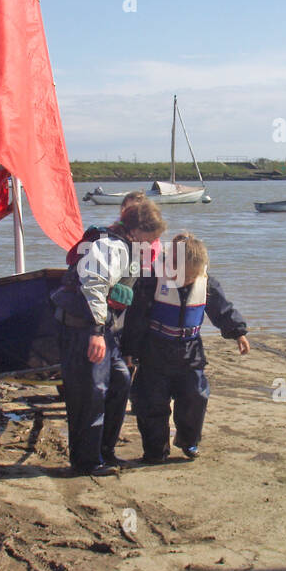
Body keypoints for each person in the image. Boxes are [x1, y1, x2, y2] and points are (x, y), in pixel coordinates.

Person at [51, 198, 166, 477]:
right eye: (151, 237)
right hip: (85, 328)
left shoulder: (127, 245)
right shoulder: (111, 246)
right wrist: (96, 332)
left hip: (105, 330)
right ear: (137, 231)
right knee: (90, 394)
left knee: (119, 382)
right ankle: (86, 461)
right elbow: (94, 285)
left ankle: (105, 451)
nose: (152, 243)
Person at [123, 232, 249, 464]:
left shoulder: (206, 282)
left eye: (193, 277)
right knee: (151, 403)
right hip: (155, 353)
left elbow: (222, 310)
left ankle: (189, 440)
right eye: (185, 277)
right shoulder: (151, 281)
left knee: (195, 397)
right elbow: (135, 318)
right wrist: (130, 351)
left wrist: (238, 332)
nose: (188, 281)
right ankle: (155, 451)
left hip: (190, 353)